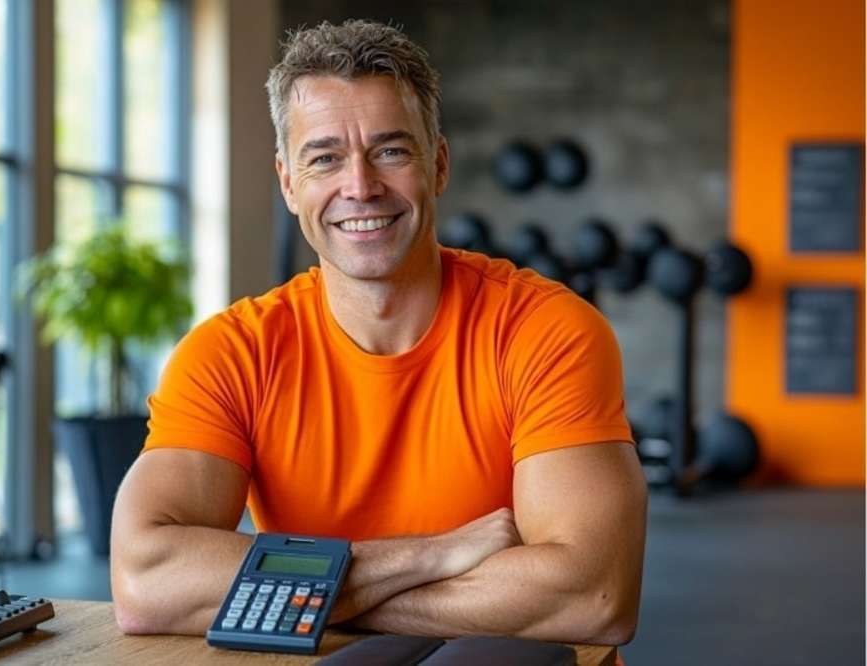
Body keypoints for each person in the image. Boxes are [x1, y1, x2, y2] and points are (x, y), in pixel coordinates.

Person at [111, 19, 646, 646]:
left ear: (438, 165)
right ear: (288, 182)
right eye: (325, 158)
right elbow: (147, 584)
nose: (360, 187)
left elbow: (594, 596)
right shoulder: (232, 354)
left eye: (391, 151)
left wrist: (308, 595)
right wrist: (425, 557)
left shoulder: (547, 332)